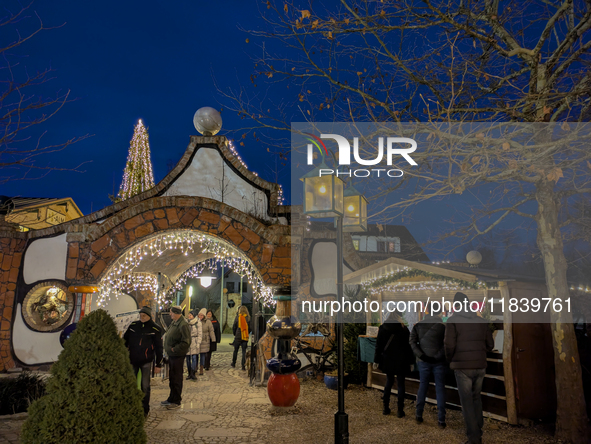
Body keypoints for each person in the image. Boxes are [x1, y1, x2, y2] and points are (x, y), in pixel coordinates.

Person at [444, 292, 494, 444]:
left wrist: (450, 359)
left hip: (462, 367)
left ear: (456, 305)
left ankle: (473, 437)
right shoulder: (482, 321)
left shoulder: (452, 321)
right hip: (480, 365)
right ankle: (478, 429)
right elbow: (490, 345)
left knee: (466, 402)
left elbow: (449, 345)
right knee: (476, 398)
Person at [409, 305, 447, 428]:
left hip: (423, 361)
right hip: (439, 362)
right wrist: (437, 356)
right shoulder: (443, 327)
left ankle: (418, 414)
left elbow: (412, 342)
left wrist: (421, 355)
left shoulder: (418, 325)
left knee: (423, 386)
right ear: (439, 312)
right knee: (440, 388)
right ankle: (441, 420)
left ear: (427, 311)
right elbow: (446, 344)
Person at [123, 306, 163, 418]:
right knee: (132, 384)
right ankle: (132, 406)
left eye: (144, 315)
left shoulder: (155, 329)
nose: (142, 317)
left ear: (149, 316)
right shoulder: (133, 326)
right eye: (141, 315)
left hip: (146, 360)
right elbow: (124, 340)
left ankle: (145, 408)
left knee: (145, 385)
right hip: (133, 359)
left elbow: (159, 348)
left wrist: (158, 363)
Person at [373, 310, 414, 417]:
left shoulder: (382, 328)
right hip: (401, 361)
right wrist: (411, 362)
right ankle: (400, 410)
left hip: (388, 360)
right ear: (398, 317)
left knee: (388, 382)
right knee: (401, 385)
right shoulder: (403, 329)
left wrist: (376, 360)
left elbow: (378, 346)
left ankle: (385, 408)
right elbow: (408, 347)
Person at [161, 305, 191, 409]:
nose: (170, 314)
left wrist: (175, 349)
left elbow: (186, 341)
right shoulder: (175, 322)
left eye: (171, 312)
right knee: (172, 377)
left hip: (178, 355)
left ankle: (176, 400)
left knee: (177, 378)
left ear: (177, 313)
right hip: (172, 355)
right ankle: (171, 398)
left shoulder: (183, 324)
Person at [231, 305, 251, 370]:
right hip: (245, 337)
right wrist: (247, 333)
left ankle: (233, 363)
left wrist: (235, 333)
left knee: (235, 350)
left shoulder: (238, 317)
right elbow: (250, 328)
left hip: (238, 336)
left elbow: (234, 326)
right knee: (243, 351)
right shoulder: (248, 318)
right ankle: (243, 365)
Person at [197, 308, 215, 375]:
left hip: (204, 340)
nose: (200, 317)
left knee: (202, 355)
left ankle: (201, 368)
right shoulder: (196, 321)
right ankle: (195, 368)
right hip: (197, 340)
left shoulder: (208, 322)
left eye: (202, 315)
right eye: (199, 315)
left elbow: (211, 330)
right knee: (195, 355)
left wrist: (213, 339)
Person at [186, 310, 201, 380]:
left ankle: (193, 373)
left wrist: (198, 343)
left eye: (190, 315)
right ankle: (189, 373)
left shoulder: (198, 323)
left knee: (194, 358)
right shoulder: (186, 323)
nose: (189, 316)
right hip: (188, 341)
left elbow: (200, 334)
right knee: (188, 358)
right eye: (189, 315)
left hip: (194, 341)